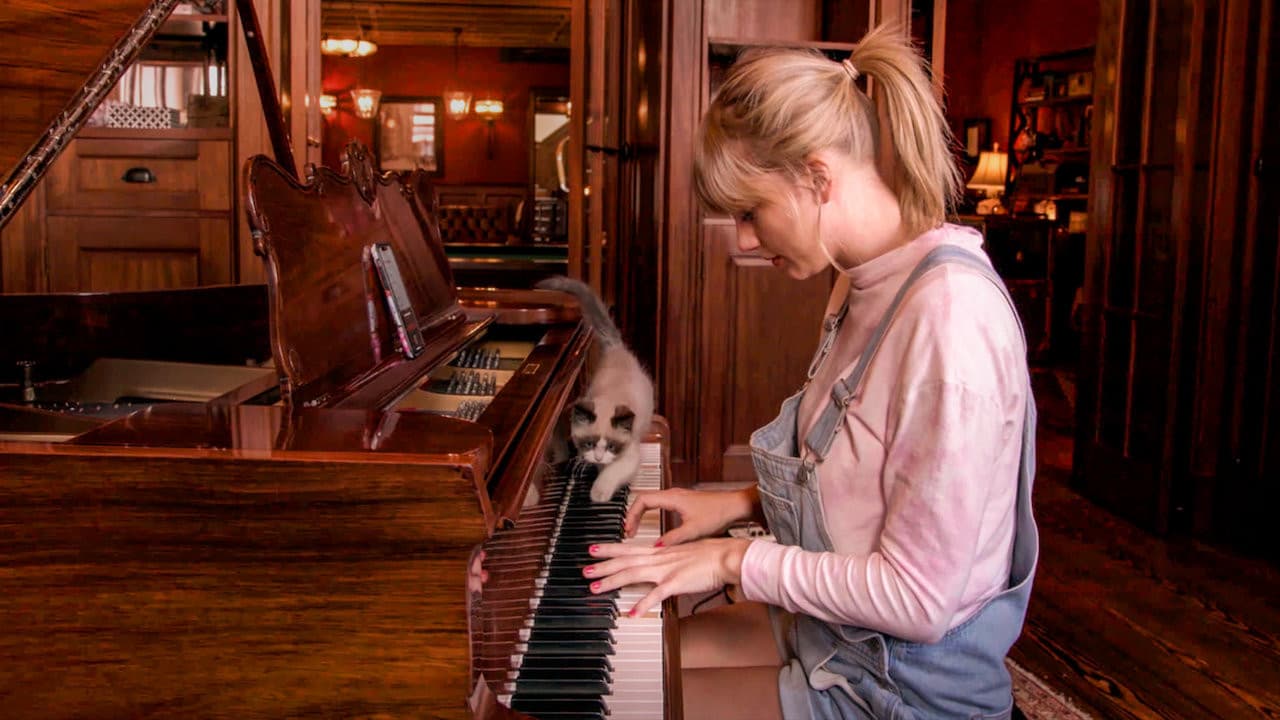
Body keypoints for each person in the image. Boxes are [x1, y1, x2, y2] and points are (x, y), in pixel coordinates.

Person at [580, 23, 1038, 720]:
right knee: (633, 660)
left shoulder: (950, 322)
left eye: (750, 211)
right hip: (836, 643)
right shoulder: (861, 280)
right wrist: (738, 506)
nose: (743, 239)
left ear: (818, 178)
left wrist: (733, 561)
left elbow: (917, 601)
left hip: (899, 692)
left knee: (634, 707)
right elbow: (866, 483)